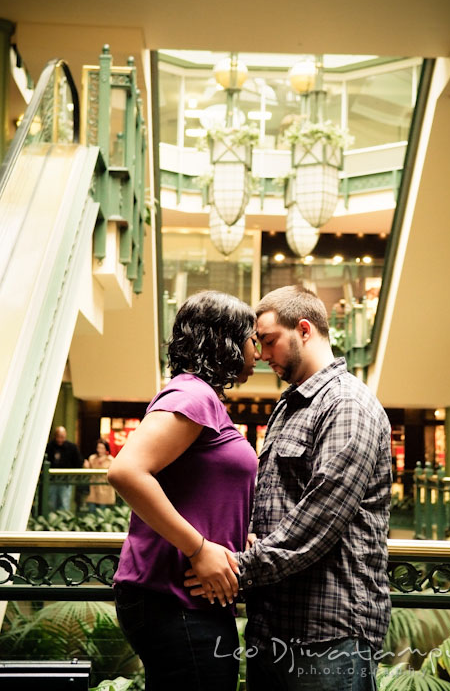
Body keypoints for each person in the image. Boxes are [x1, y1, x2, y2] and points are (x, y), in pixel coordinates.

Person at [187, 285, 392, 690]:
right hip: (274, 628)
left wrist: (233, 569)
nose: (261, 356)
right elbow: (280, 502)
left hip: (330, 635)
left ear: (303, 329)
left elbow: (319, 518)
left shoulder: (347, 404)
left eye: (268, 341)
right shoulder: (288, 405)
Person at [107, 290, 260, 691]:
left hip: (183, 599)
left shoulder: (200, 397)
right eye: (251, 338)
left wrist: (230, 536)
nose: (257, 351)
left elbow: (196, 486)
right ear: (226, 339)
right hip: (173, 598)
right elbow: (126, 471)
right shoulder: (193, 395)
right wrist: (200, 548)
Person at [45, 425, 83, 511]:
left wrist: (72, 474)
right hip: (51, 480)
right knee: (51, 503)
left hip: (65, 480)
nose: (60, 440)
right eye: (58, 437)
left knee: (64, 503)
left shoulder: (71, 447)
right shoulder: (49, 447)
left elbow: (78, 462)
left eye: (62, 437)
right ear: (55, 436)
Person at [83, 439, 116, 511]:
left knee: (102, 512)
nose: (99, 450)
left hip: (105, 489)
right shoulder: (92, 458)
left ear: (106, 449)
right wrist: (86, 466)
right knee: (91, 511)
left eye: (102, 448)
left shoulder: (111, 460)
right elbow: (88, 472)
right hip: (93, 489)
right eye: (98, 448)